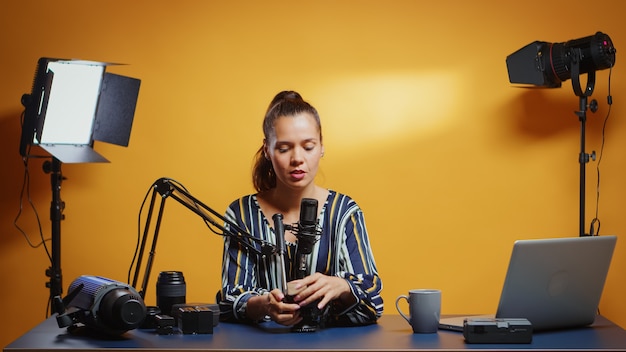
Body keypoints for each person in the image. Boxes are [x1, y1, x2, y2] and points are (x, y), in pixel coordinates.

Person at [218, 91, 383, 327]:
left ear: (322, 147)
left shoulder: (345, 212)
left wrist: (342, 287)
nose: (297, 158)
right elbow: (229, 300)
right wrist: (264, 304)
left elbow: (372, 305)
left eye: (308, 146)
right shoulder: (242, 214)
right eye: (284, 148)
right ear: (267, 150)